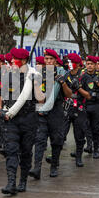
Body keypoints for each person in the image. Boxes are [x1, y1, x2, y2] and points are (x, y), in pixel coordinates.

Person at [0, 48, 41, 194]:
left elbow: (41, 99)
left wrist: (35, 84)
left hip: (28, 119)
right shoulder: (7, 75)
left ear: (23, 61)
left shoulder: (34, 76)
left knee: (26, 151)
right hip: (11, 119)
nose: (11, 61)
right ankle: (11, 183)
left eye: (14, 59)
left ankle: (22, 181)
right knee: (11, 150)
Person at [29, 49, 66, 180]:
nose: (48, 61)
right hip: (41, 110)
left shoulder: (61, 73)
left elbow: (68, 94)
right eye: (46, 59)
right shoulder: (38, 74)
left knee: (56, 140)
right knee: (40, 140)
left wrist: (63, 83)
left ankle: (54, 165)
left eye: (51, 59)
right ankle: (37, 168)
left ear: (55, 60)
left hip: (56, 111)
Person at [62, 53, 91, 166]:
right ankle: (55, 158)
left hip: (80, 109)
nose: (68, 64)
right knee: (61, 133)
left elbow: (88, 95)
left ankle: (78, 157)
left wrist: (78, 88)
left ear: (77, 64)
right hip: (67, 108)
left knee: (79, 135)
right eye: (67, 62)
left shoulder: (85, 76)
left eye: (70, 62)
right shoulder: (66, 76)